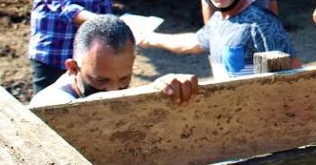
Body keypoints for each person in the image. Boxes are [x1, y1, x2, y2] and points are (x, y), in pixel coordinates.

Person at [139, 0, 301, 78]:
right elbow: (192, 42)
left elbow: (287, 75)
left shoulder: (258, 24)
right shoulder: (218, 21)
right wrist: (151, 38)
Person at [29, 14, 200, 108]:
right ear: (73, 68)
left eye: (124, 79)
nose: (113, 92)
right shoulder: (52, 106)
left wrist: (164, 88)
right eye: (101, 80)